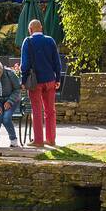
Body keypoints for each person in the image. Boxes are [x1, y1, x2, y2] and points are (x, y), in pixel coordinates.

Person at [20, 18, 62, 149]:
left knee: (37, 111)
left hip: (35, 82)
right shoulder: (50, 40)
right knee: (50, 111)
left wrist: (23, 80)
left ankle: (38, 140)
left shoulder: (28, 41)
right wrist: (58, 79)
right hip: (50, 80)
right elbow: (57, 62)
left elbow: (25, 64)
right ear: (41, 28)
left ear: (30, 30)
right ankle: (51, 139)